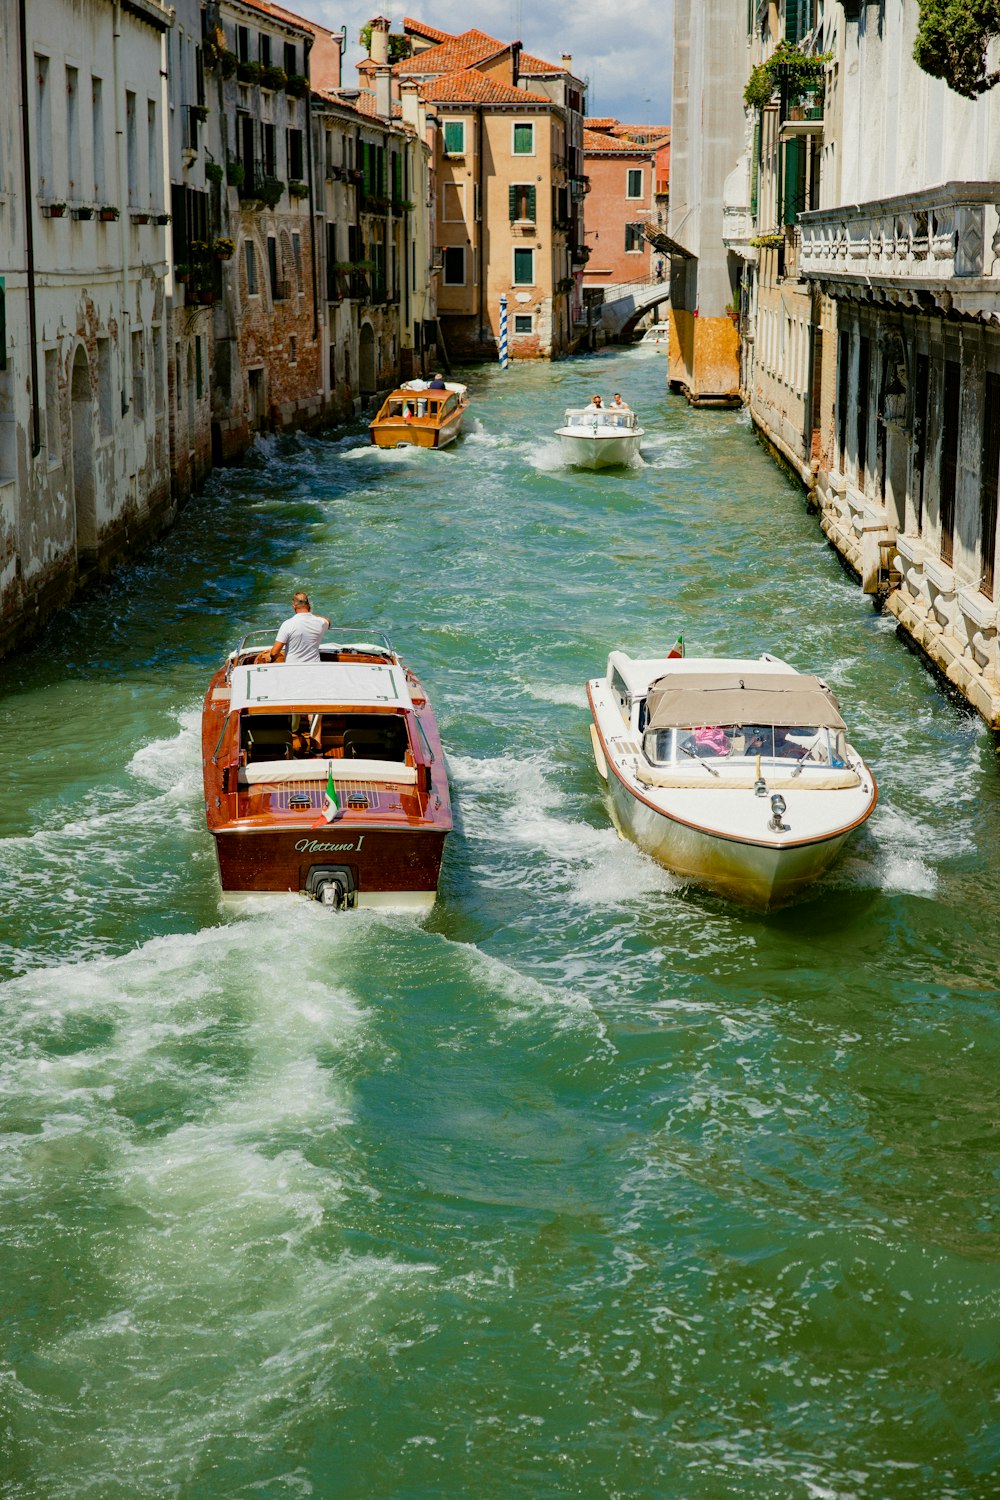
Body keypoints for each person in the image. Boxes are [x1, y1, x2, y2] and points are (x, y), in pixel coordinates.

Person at [261, 592, 331, 664]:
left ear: (294, 606)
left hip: (293, 668)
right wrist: (310, 615)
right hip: (314, 666)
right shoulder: (320, 622)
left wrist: (270, 659)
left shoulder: (287, 624)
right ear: (308, 605)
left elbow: (274, 653)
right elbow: (328, 621)